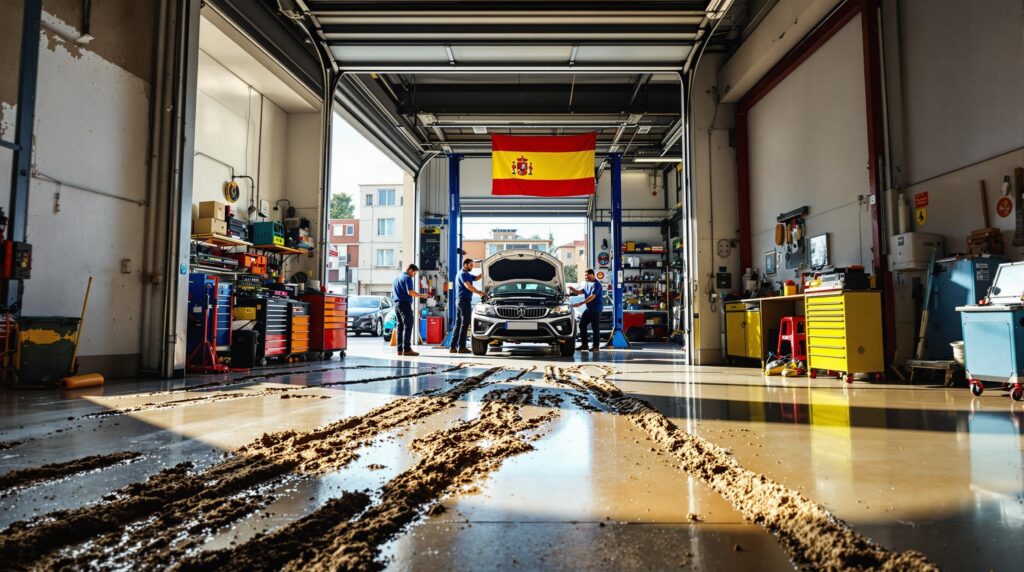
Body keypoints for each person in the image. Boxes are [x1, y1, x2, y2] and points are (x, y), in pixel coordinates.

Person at [391, 263, 429, 356]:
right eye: (414, 273)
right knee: (408, 326)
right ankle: (407, 349)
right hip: (404, 304)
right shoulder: (407, 278)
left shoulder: (397, 278)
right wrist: (422, 295)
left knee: (399, 326)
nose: (414, 275)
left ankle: (399, 350)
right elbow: (410, 292)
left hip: (396, 304)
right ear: (410, 270)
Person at [451, 258, 485, 354]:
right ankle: (462, 347)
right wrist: (479, 293)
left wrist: (485, 270)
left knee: (458, 324)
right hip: (463, 301)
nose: (472, 267)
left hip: (461, 301)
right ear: (465, 264)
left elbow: (477, 278)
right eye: (471, 265)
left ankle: (452, 347)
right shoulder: (463, 274)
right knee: (465, 323)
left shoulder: (467, 274)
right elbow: (468, 286)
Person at [569, 269, 603, 352]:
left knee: (595, 327)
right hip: (589, 309)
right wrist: (572, 289)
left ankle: (596, 346)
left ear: (592, 274)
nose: (585, 277)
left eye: (587, 275)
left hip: (596, 309)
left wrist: (580, 303)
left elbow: (592, 297)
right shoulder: (587, 284)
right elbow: (580, 292)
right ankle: (585, 345)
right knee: (581, 325)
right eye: (585, 275)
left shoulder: (597, 284)